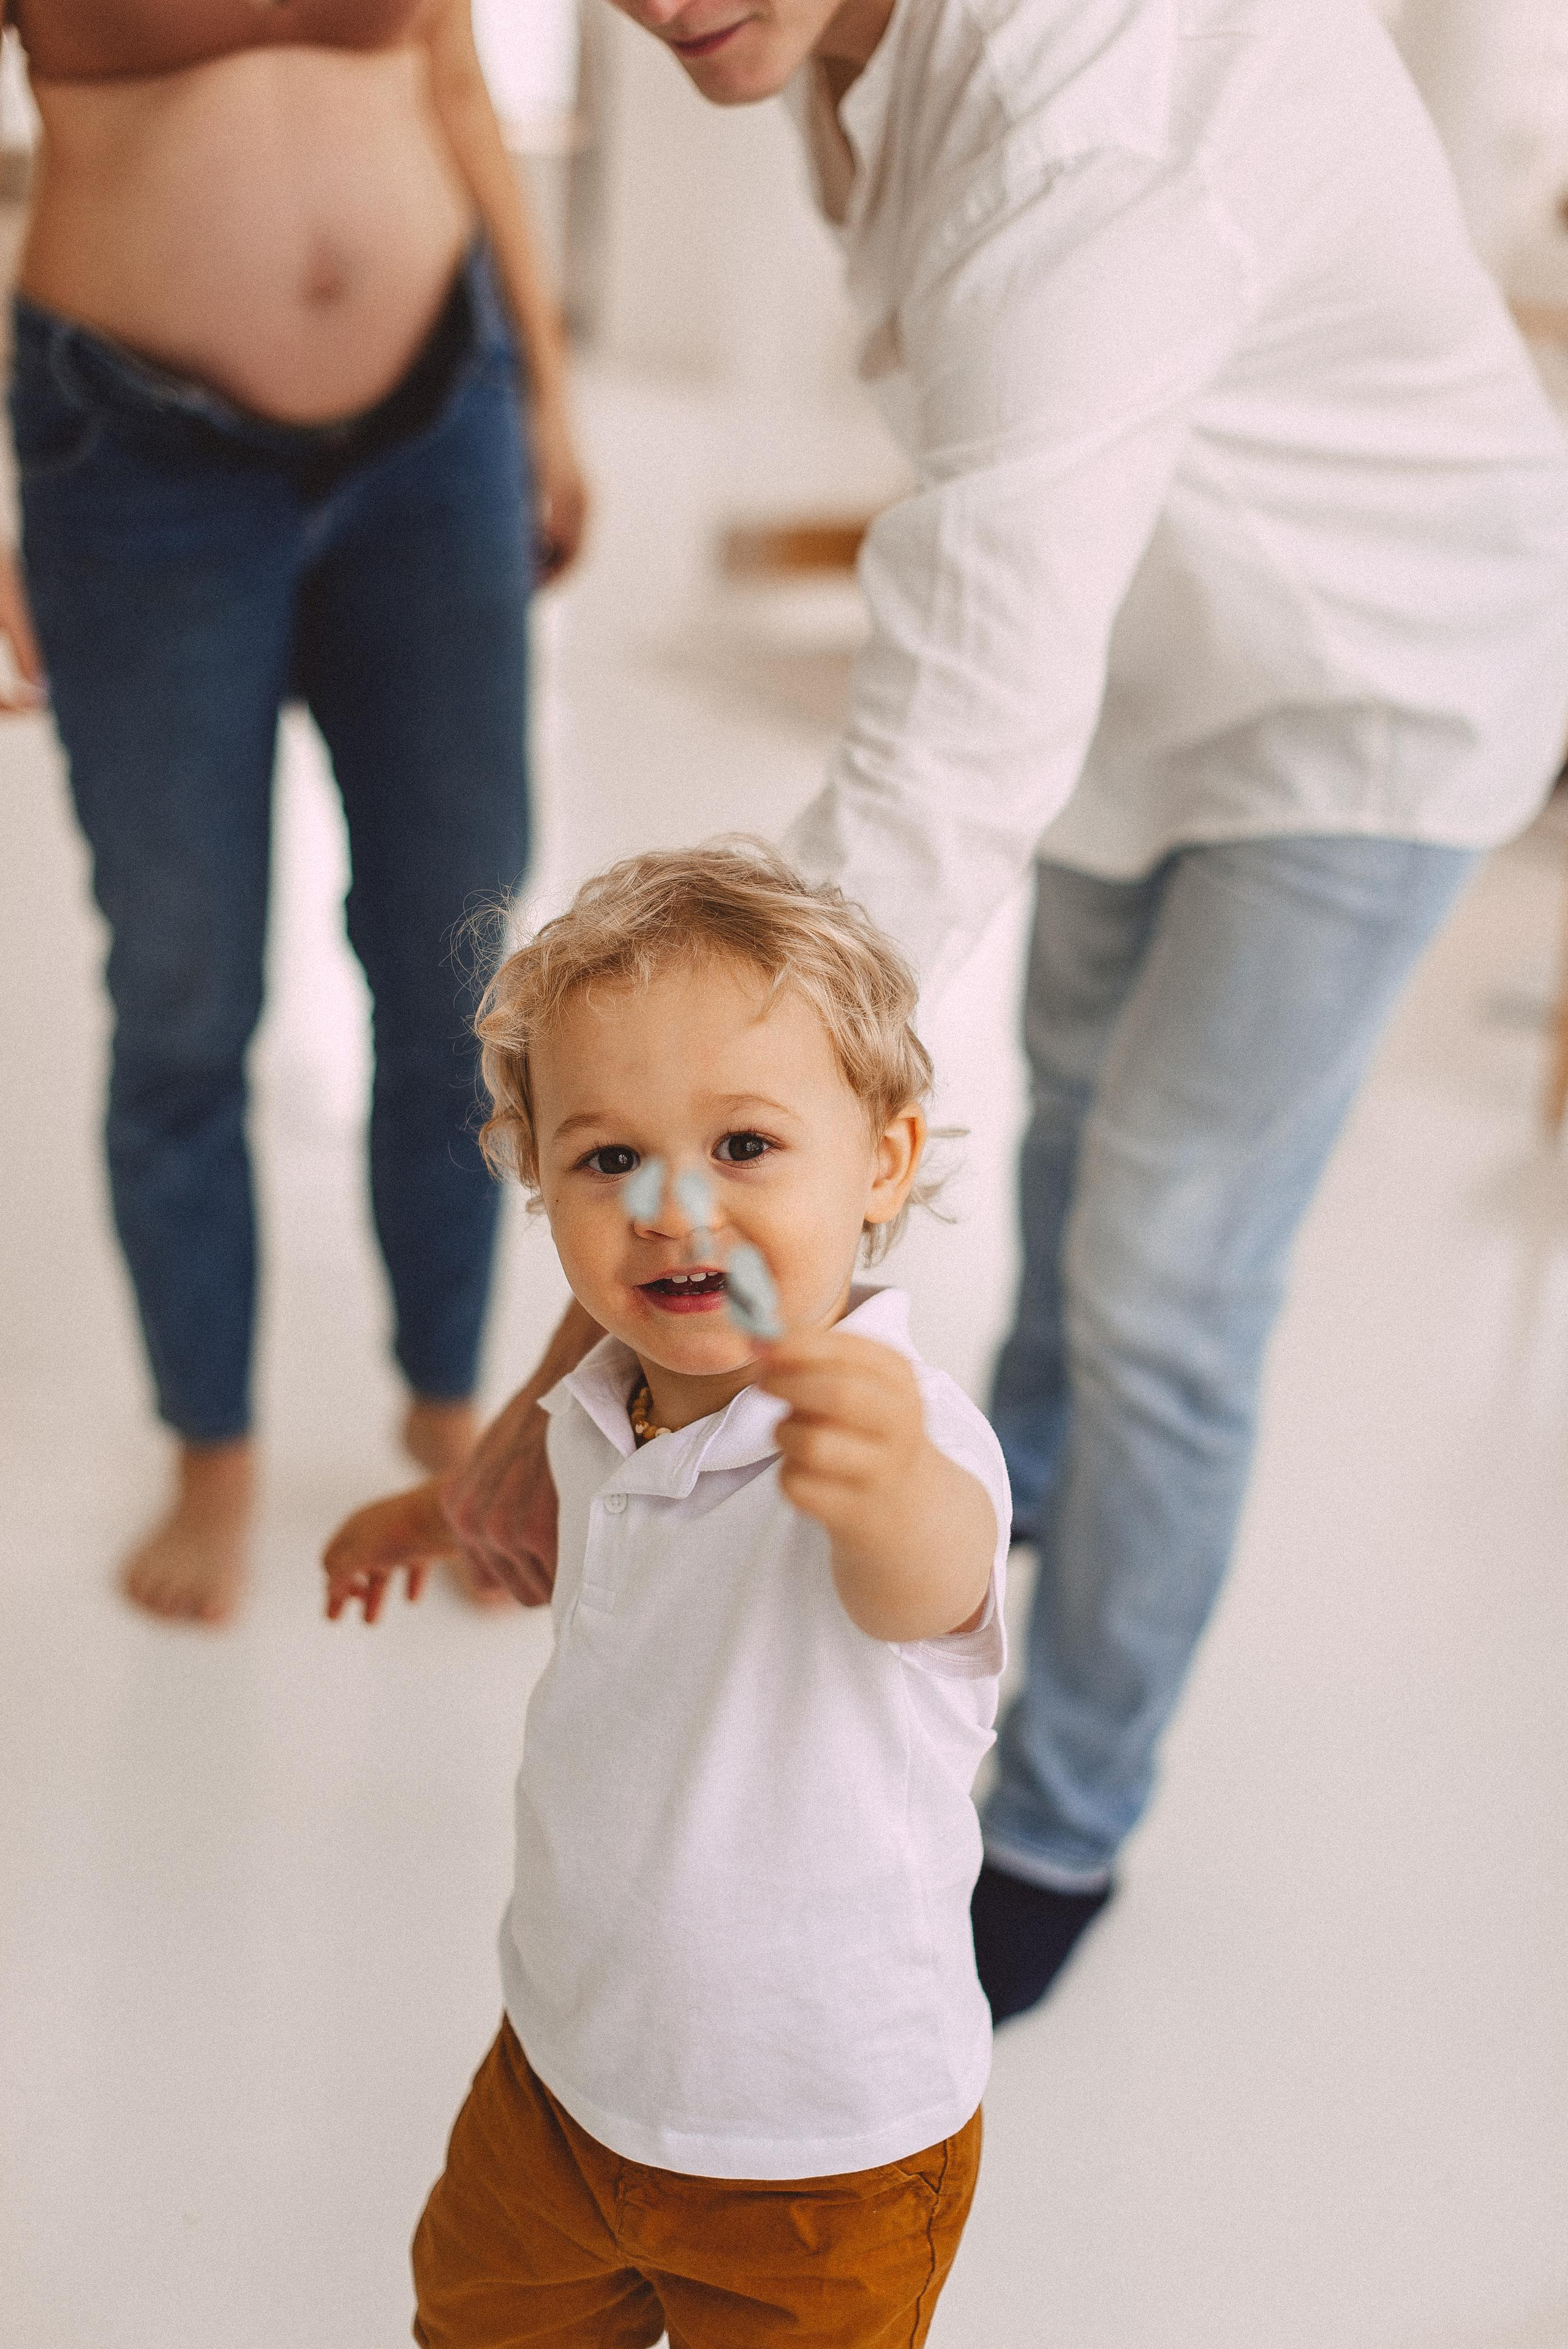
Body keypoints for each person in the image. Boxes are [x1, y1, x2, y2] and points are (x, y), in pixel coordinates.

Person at [424, 0, 1568, 2026]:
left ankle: (1060, 1818)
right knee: (1062, 1092)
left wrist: (554, 1373)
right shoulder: (852, 45)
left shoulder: (1091, 152)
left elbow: (920, 804)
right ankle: (1021, 1466)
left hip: (1370, 693)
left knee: (1165, 1268)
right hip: (1156, 648)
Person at [322, 844, 1012, 2349]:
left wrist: (882, 1476)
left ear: (884, 1161)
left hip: (816, 2155)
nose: (671, 1206)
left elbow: (927, 1581)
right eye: (607, 1157)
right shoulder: (601, 1402)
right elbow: (597, 1551)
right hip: (563, 2068)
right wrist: (429, 1515)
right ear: (537, 1175)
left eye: (746, 1147)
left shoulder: (898, 1433)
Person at [0, 0, 587, 1624]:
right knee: (185, 992)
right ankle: (214, 1447)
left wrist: (541, 389)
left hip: (439, 424)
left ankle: (452, 1415)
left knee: (460, 968)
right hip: (128, 457)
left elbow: (452, 76)